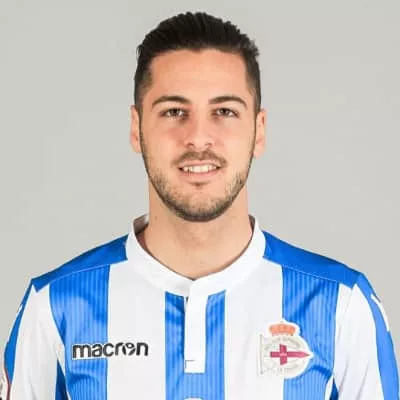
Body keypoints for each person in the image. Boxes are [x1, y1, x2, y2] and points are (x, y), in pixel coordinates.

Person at [1, 11, 398, 400]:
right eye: (174, 112)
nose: (198, 137)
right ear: (136, 129)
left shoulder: (341, 305)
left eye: (224, 112)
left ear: (258, 130)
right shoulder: (55, 305)